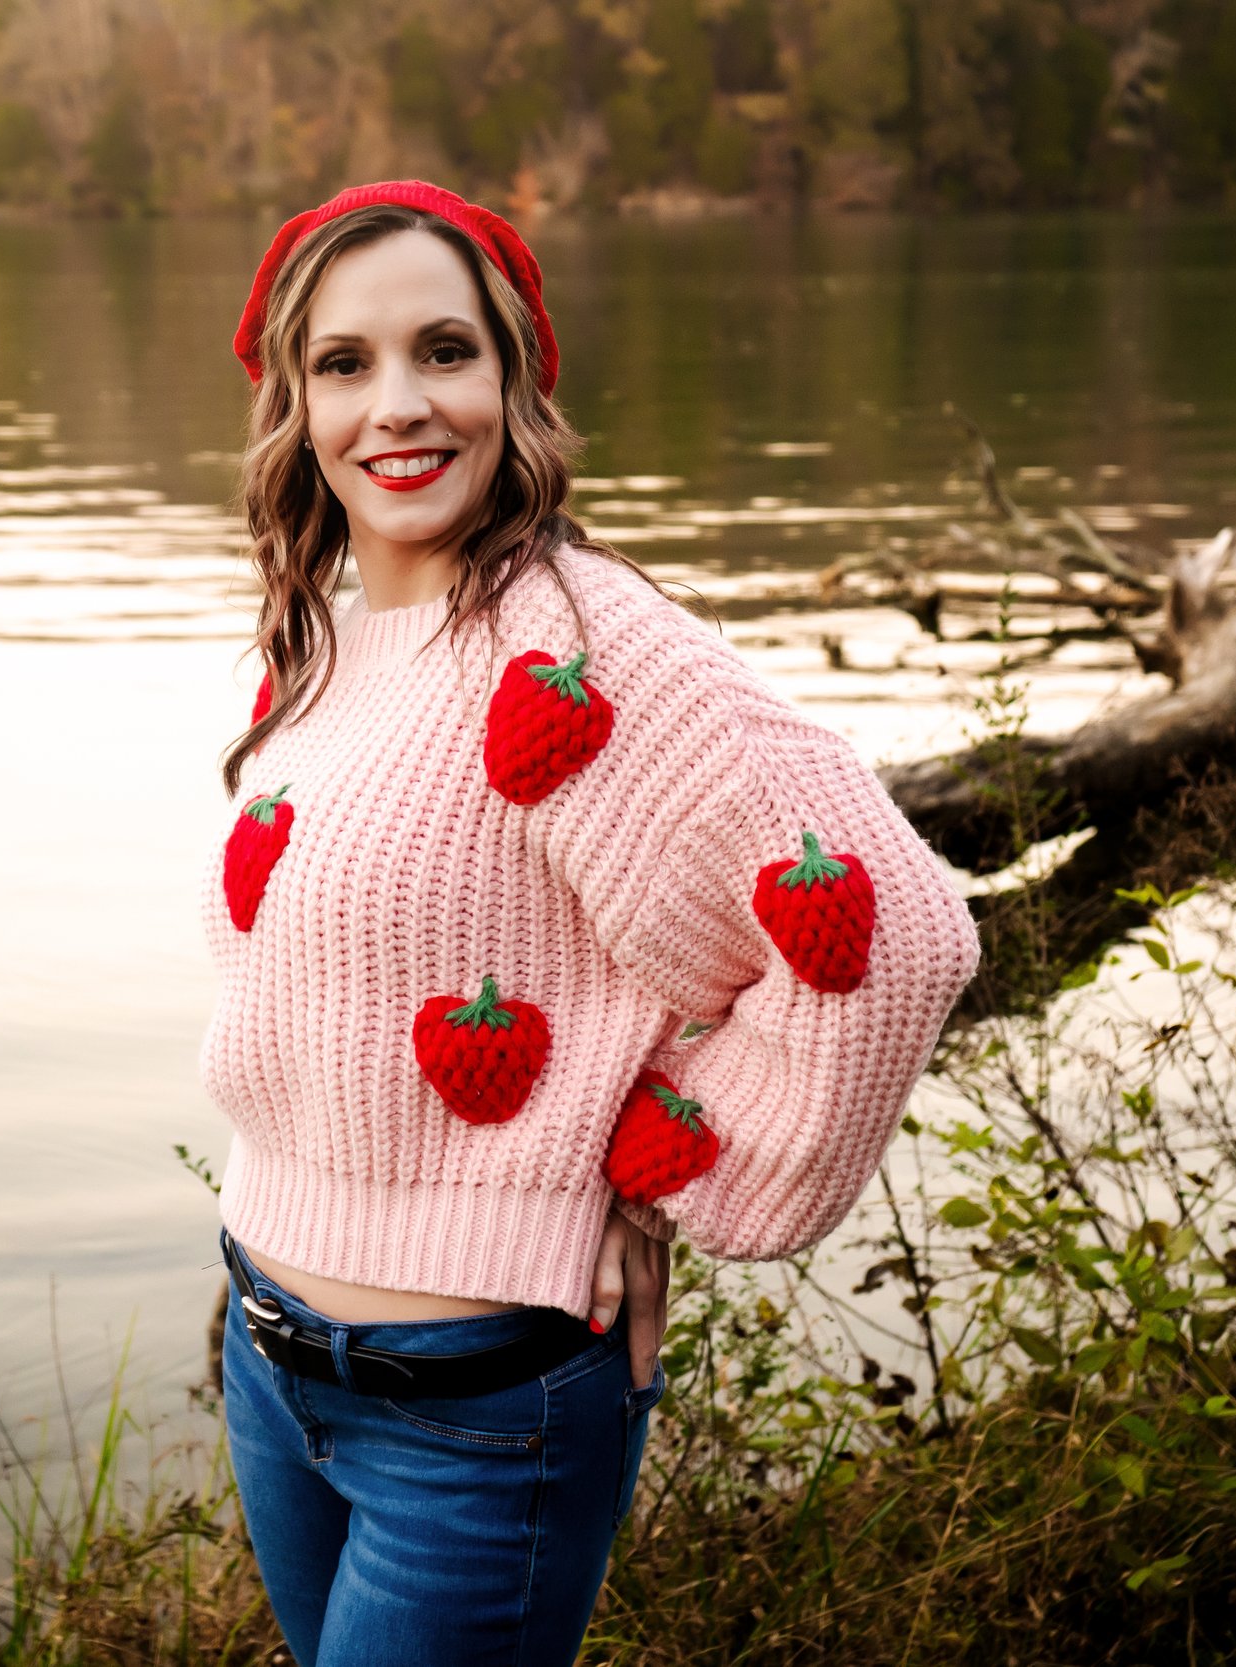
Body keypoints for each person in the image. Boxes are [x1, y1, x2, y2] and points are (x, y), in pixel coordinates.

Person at [200, 179, 980, 1667]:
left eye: (445, 350)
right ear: (296, 406)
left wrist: (662, 1171)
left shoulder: (582, 646)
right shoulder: (323, 646)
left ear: (514, 377)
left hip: (476, 1415)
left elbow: (890, 933)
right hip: (270, 1361)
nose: (398, 403)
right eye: (345, 363)